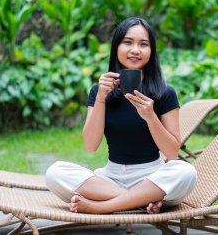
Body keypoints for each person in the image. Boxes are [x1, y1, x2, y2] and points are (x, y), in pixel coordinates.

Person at [45, 17, 198, 214]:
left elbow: (171, 153)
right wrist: (101, 97)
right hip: (111, 177)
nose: (135, 50)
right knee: (55, 172)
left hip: (153, 176)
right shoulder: (99, 91)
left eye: (143, 44)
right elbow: (90, 146)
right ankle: (140, 201)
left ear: (151, 52)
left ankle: (102, 206)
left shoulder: (164, 93)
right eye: (127, 42)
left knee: (186, 172)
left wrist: (151, 117)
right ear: (116, 48)